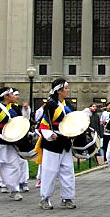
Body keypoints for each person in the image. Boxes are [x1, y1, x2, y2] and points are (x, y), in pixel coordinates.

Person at [37, 78, 77, 209]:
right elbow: (43, 124)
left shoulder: (67, 105)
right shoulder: (50, 105)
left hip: (65, 142)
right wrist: (49, 134)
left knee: (68, 171)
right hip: (52, 144)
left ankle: (67, 198)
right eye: (65, 88)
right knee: (50, 171)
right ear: (59, 90)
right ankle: (45, 198)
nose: (67, 90)